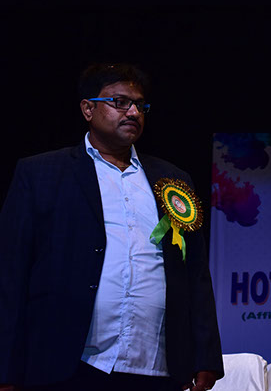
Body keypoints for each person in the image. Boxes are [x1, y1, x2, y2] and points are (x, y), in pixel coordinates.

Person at [0, 64, 223, 391]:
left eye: (140, 105)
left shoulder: (173, 180)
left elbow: (195, 273)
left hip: (154, 364)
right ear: (87, 109)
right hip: (66, 363)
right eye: (120, 102)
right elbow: (11, 273)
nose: (133, 112)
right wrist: (5, 369)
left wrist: (205, 355)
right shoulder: (41, 174)